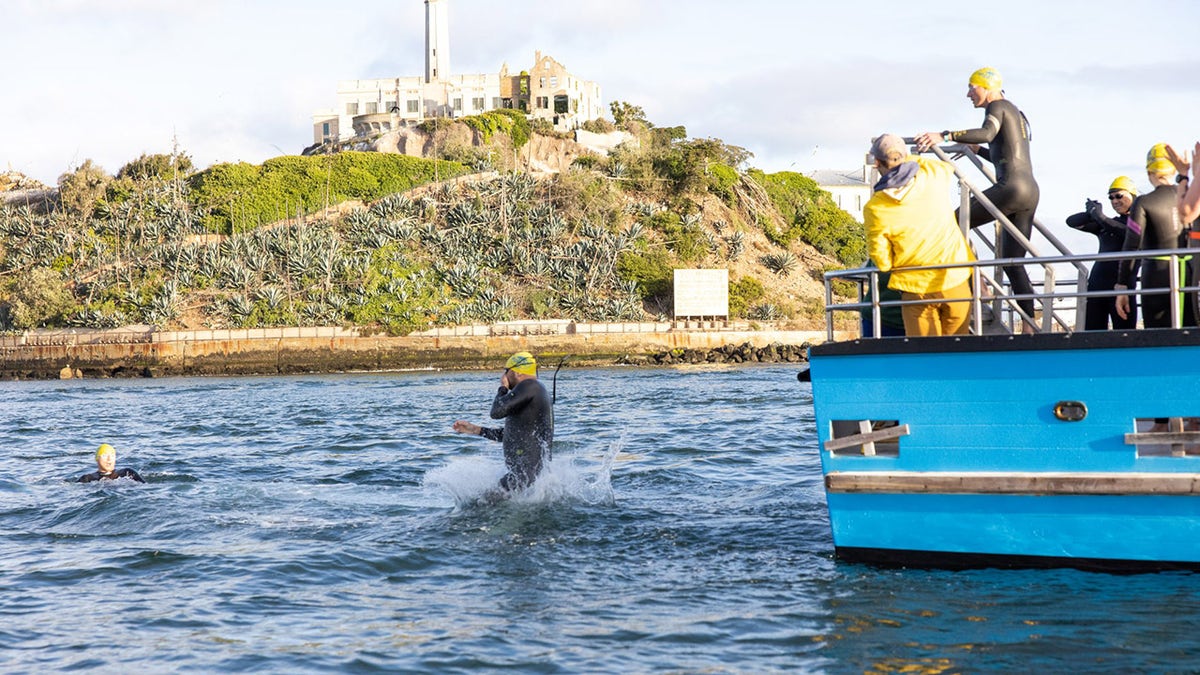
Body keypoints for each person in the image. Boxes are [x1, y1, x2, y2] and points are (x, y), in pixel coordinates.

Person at [915, 67, 1040, 331]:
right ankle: (1030, 326)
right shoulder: (1014, 111)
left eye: (972, 87)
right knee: (1012, 260)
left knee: (955, 222)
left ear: (987, 87)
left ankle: (979, 283)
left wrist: (945, 135)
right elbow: (1005, 151)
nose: (969, 93)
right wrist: (977, 150)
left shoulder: (997, 106)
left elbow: (987, 132)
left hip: (1011, 188)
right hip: (1029, 190)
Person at [863, 134, 975, 337]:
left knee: (926, 356)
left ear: (876, 162)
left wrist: (895, 264)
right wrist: (906, 156)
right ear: (905, 155)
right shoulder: (933, 176)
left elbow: (882, 261)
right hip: (955, 276)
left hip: (915, 288)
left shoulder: (876, 207)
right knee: (958, 353)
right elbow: (944, 167)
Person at [1115, 144, 1197, 328]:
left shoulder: (1144, 202)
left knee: (1159, 335)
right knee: (1191, 334)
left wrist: (1122, 286)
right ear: (1173, 168)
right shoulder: (1190, 197)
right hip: (1189, 273)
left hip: (1155, 275)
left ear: (1149, 172)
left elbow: (1131, 245)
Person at [452, 351, 554, 492]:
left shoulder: (530, 386)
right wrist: (476, 430)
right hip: (528, 476)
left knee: (479, 506)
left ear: (516, 372)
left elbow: (496, 412)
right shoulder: (534, 390)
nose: (504, 376)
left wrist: (503, 388)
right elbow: (515, 435)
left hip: (522, 476)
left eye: (506, 371)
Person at [1065, 176, 1139, 330]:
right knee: (1092, 336)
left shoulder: (1137, 224)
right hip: (1097, 286)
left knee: (1125, 337)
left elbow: (1127, 233)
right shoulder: (1106, 224)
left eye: (1119, 196)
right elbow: (1071, 222)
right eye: (1111, 197)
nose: (1114, 201)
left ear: (1132, 196)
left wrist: (1100, 216)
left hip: (1122, 288)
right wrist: (1091, 212)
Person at [77, 443, 145, 483]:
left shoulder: (127, 473)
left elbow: (144, 486)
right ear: (97, 458)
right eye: (104, 455)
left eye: (112, 455)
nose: (109, 459)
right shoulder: (87, 478)